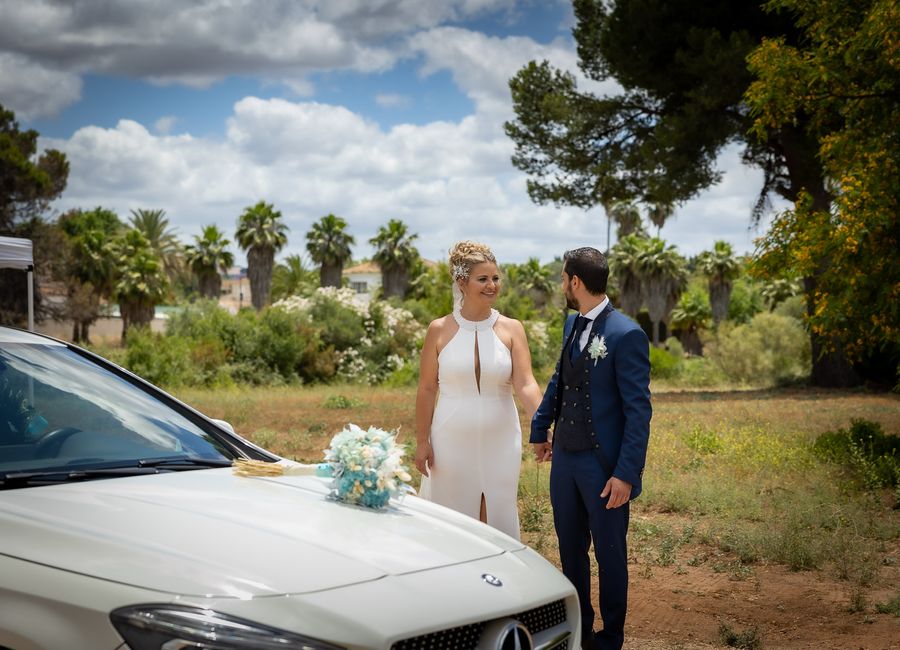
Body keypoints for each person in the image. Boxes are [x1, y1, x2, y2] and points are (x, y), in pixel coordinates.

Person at [531, 247, 651, 650]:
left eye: (563, 277)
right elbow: (559, 381)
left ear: (575, 282)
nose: (561, 284)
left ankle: (611, 637)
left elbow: (638, 412)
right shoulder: (570, 325)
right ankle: (579, 629)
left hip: (603, 467)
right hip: (564, 460)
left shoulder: (626, 333)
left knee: (610, 553)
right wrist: (539, 426)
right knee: (570, 547)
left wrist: (626, 474)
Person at [415, 241, 543, 540]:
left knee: (497, 508)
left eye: (495, 278)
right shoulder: (438, 329)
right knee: (453, 515)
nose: (492, 285)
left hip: (501, 437)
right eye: (482, 279)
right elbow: (426, 388)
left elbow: (526, 383)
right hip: (449, 438)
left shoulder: (512, 328)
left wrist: (543, 425)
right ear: (462, 282)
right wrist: (422, 441)